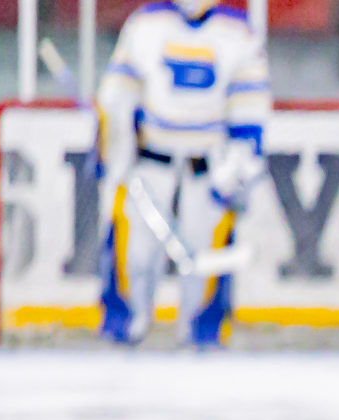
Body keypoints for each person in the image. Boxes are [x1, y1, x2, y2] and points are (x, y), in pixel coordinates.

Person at [95, 0, 269, 346]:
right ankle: (122, 331)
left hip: (208, 166)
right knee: (135, 255)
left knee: (207, 258)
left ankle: (203, 336)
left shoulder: (238, 31)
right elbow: (117, 95)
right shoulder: (145, 23)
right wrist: (116, 149)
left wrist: (238, 168)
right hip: (149, 161)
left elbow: (250, 111)